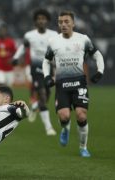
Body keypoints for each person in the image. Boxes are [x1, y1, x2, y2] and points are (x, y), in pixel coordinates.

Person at [42, 10, 105, 157]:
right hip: (61, 84)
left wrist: (100, 71)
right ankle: (65, 129)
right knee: (64, 117)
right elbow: (46, 61)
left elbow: (97, 55)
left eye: (66, 21)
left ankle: (83, 147)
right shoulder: (53, 41)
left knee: (81, 116)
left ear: (73, 23)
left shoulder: (83, 39)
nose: (63, 24)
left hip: (79, 83)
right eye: (60, 22)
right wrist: (46, 76)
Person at [13, 9, 57, 136]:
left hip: (49, 68)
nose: (41, 21)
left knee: (46, 96)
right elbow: (23, 47)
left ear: (47, 21)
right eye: (39, 19)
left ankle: (35, 106)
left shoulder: (53, 34)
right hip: (36, 68)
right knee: (42, 94)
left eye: (43, 18)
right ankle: (48, 128)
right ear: (35, 21)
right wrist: (16, 57)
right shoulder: (30, 35)